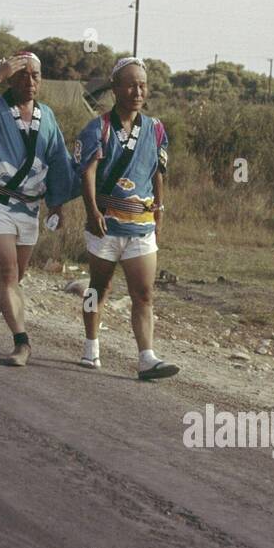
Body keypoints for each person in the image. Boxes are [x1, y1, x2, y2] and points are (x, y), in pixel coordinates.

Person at [0, 51, 74, 367]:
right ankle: (22, 342)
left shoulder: (46, 116)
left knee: (15, 276)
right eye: (21, 75)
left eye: (35, 75)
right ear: (9, 77)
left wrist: (58, 203)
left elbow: (58, 158)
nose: (30, 81)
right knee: (7, 273)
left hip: (29, 206)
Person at [75, 57, 179, 381]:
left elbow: (158, 174)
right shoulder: (98, 128)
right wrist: (92, 212)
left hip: (141, 227)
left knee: (144, 293)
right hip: (106, 224)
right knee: (99, 287)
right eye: (131, 84)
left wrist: (159, 212)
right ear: (116, 88)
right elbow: (87, 172)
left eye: (143, 85)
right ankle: (91, 345)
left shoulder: (156, 129)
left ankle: (146, 357)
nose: (138, 91)